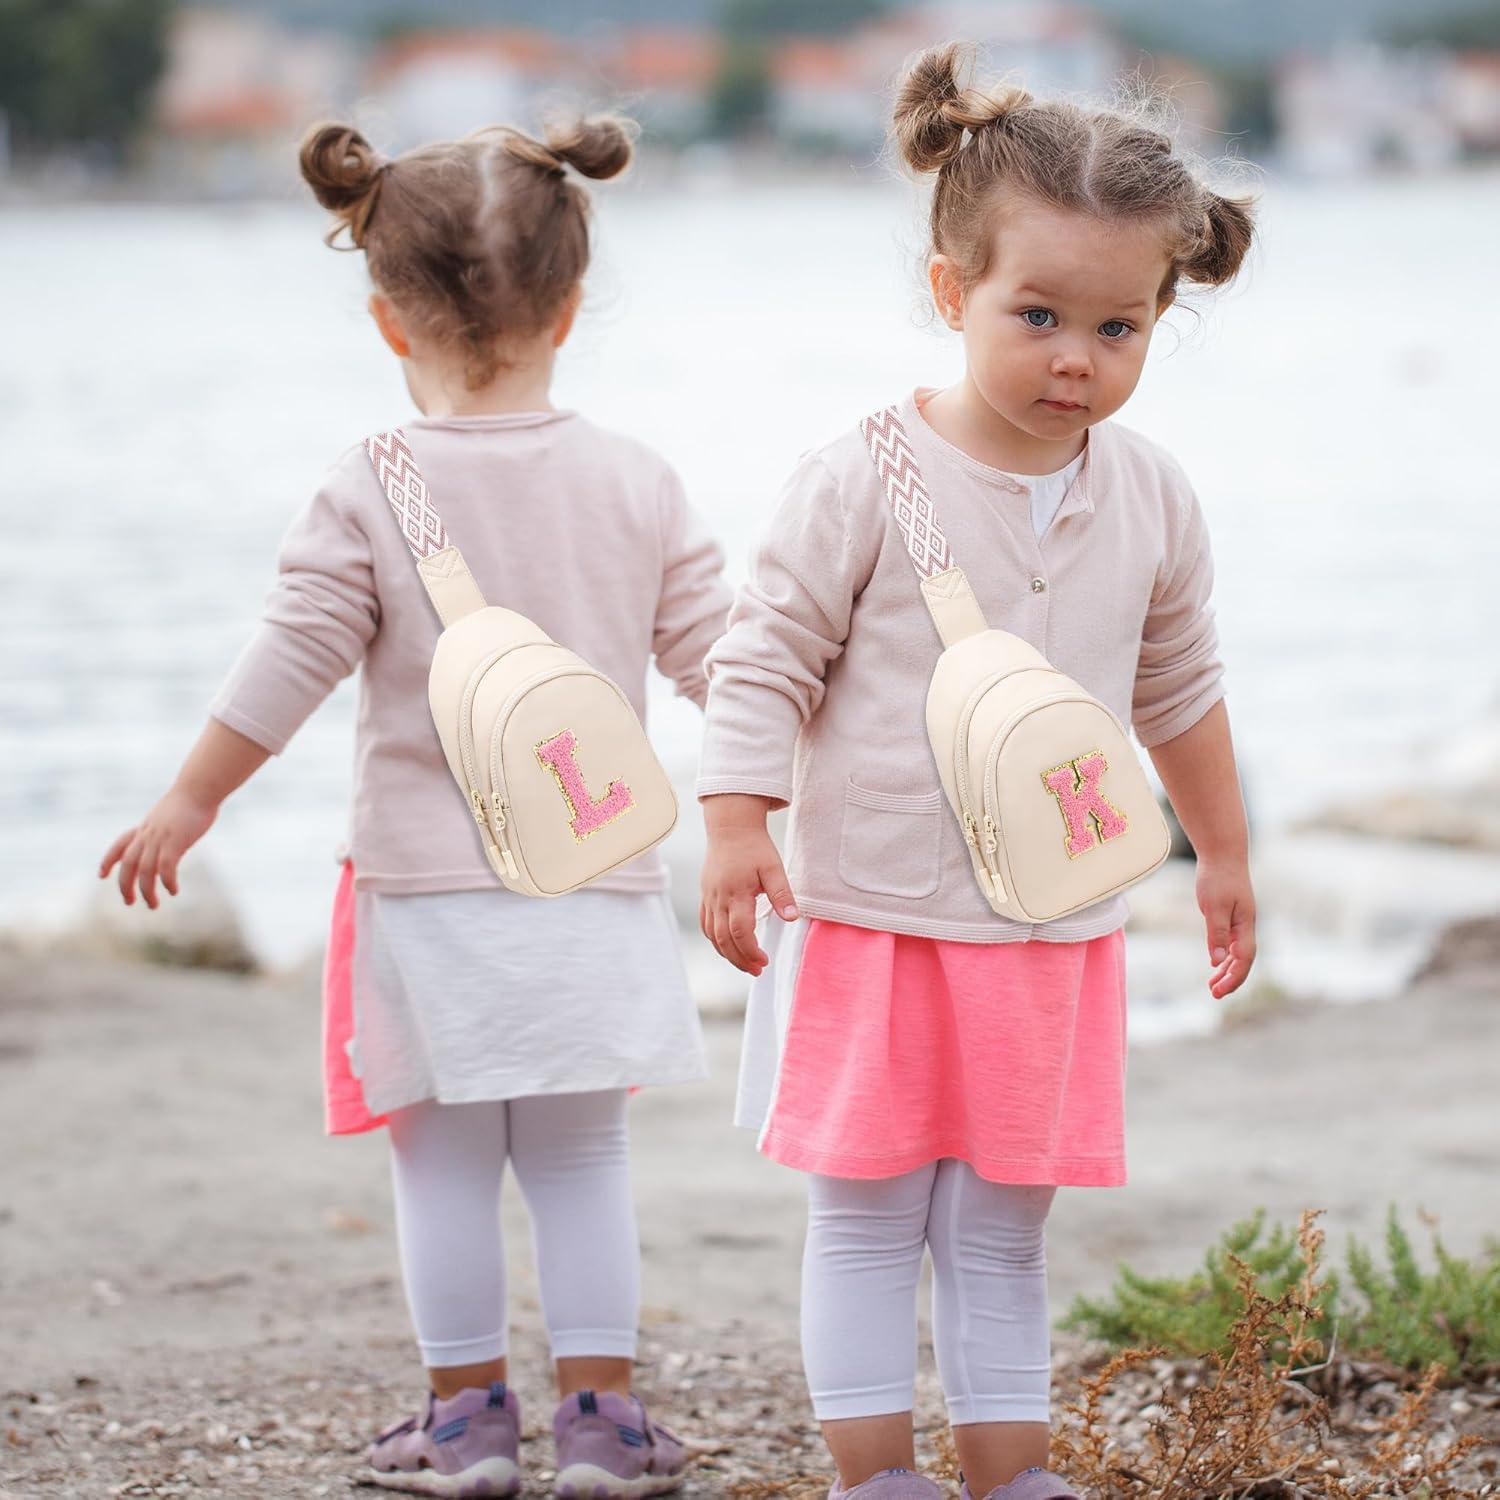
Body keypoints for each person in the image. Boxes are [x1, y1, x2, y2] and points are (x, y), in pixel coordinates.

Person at [100, 114, 730, 1500]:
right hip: (591, 877)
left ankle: (466, 1425)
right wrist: (791, 796)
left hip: (425, 897)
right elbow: (724, 666)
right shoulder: (636, 481)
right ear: (570, 306)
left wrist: (191, 799)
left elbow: (291, 660)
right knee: (582, 1158)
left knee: (440, 1164)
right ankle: (604, 1426)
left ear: (388, 321)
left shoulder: (368, 487)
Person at [697, 42, 1259, 1500]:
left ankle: (1011, 1473)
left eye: (1119, 327)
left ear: (1161, 317)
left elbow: (1179, 689)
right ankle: (876, 1474)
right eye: (1039, 316)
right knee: (870, 1215)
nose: (1078, 358)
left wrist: (1224, 853)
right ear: (953, 295)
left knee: (1007, 1224)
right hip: (874, 916)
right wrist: (738, 821)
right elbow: (765, 656)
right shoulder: (861, 477)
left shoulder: (1152, 495)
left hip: (1049, 927)